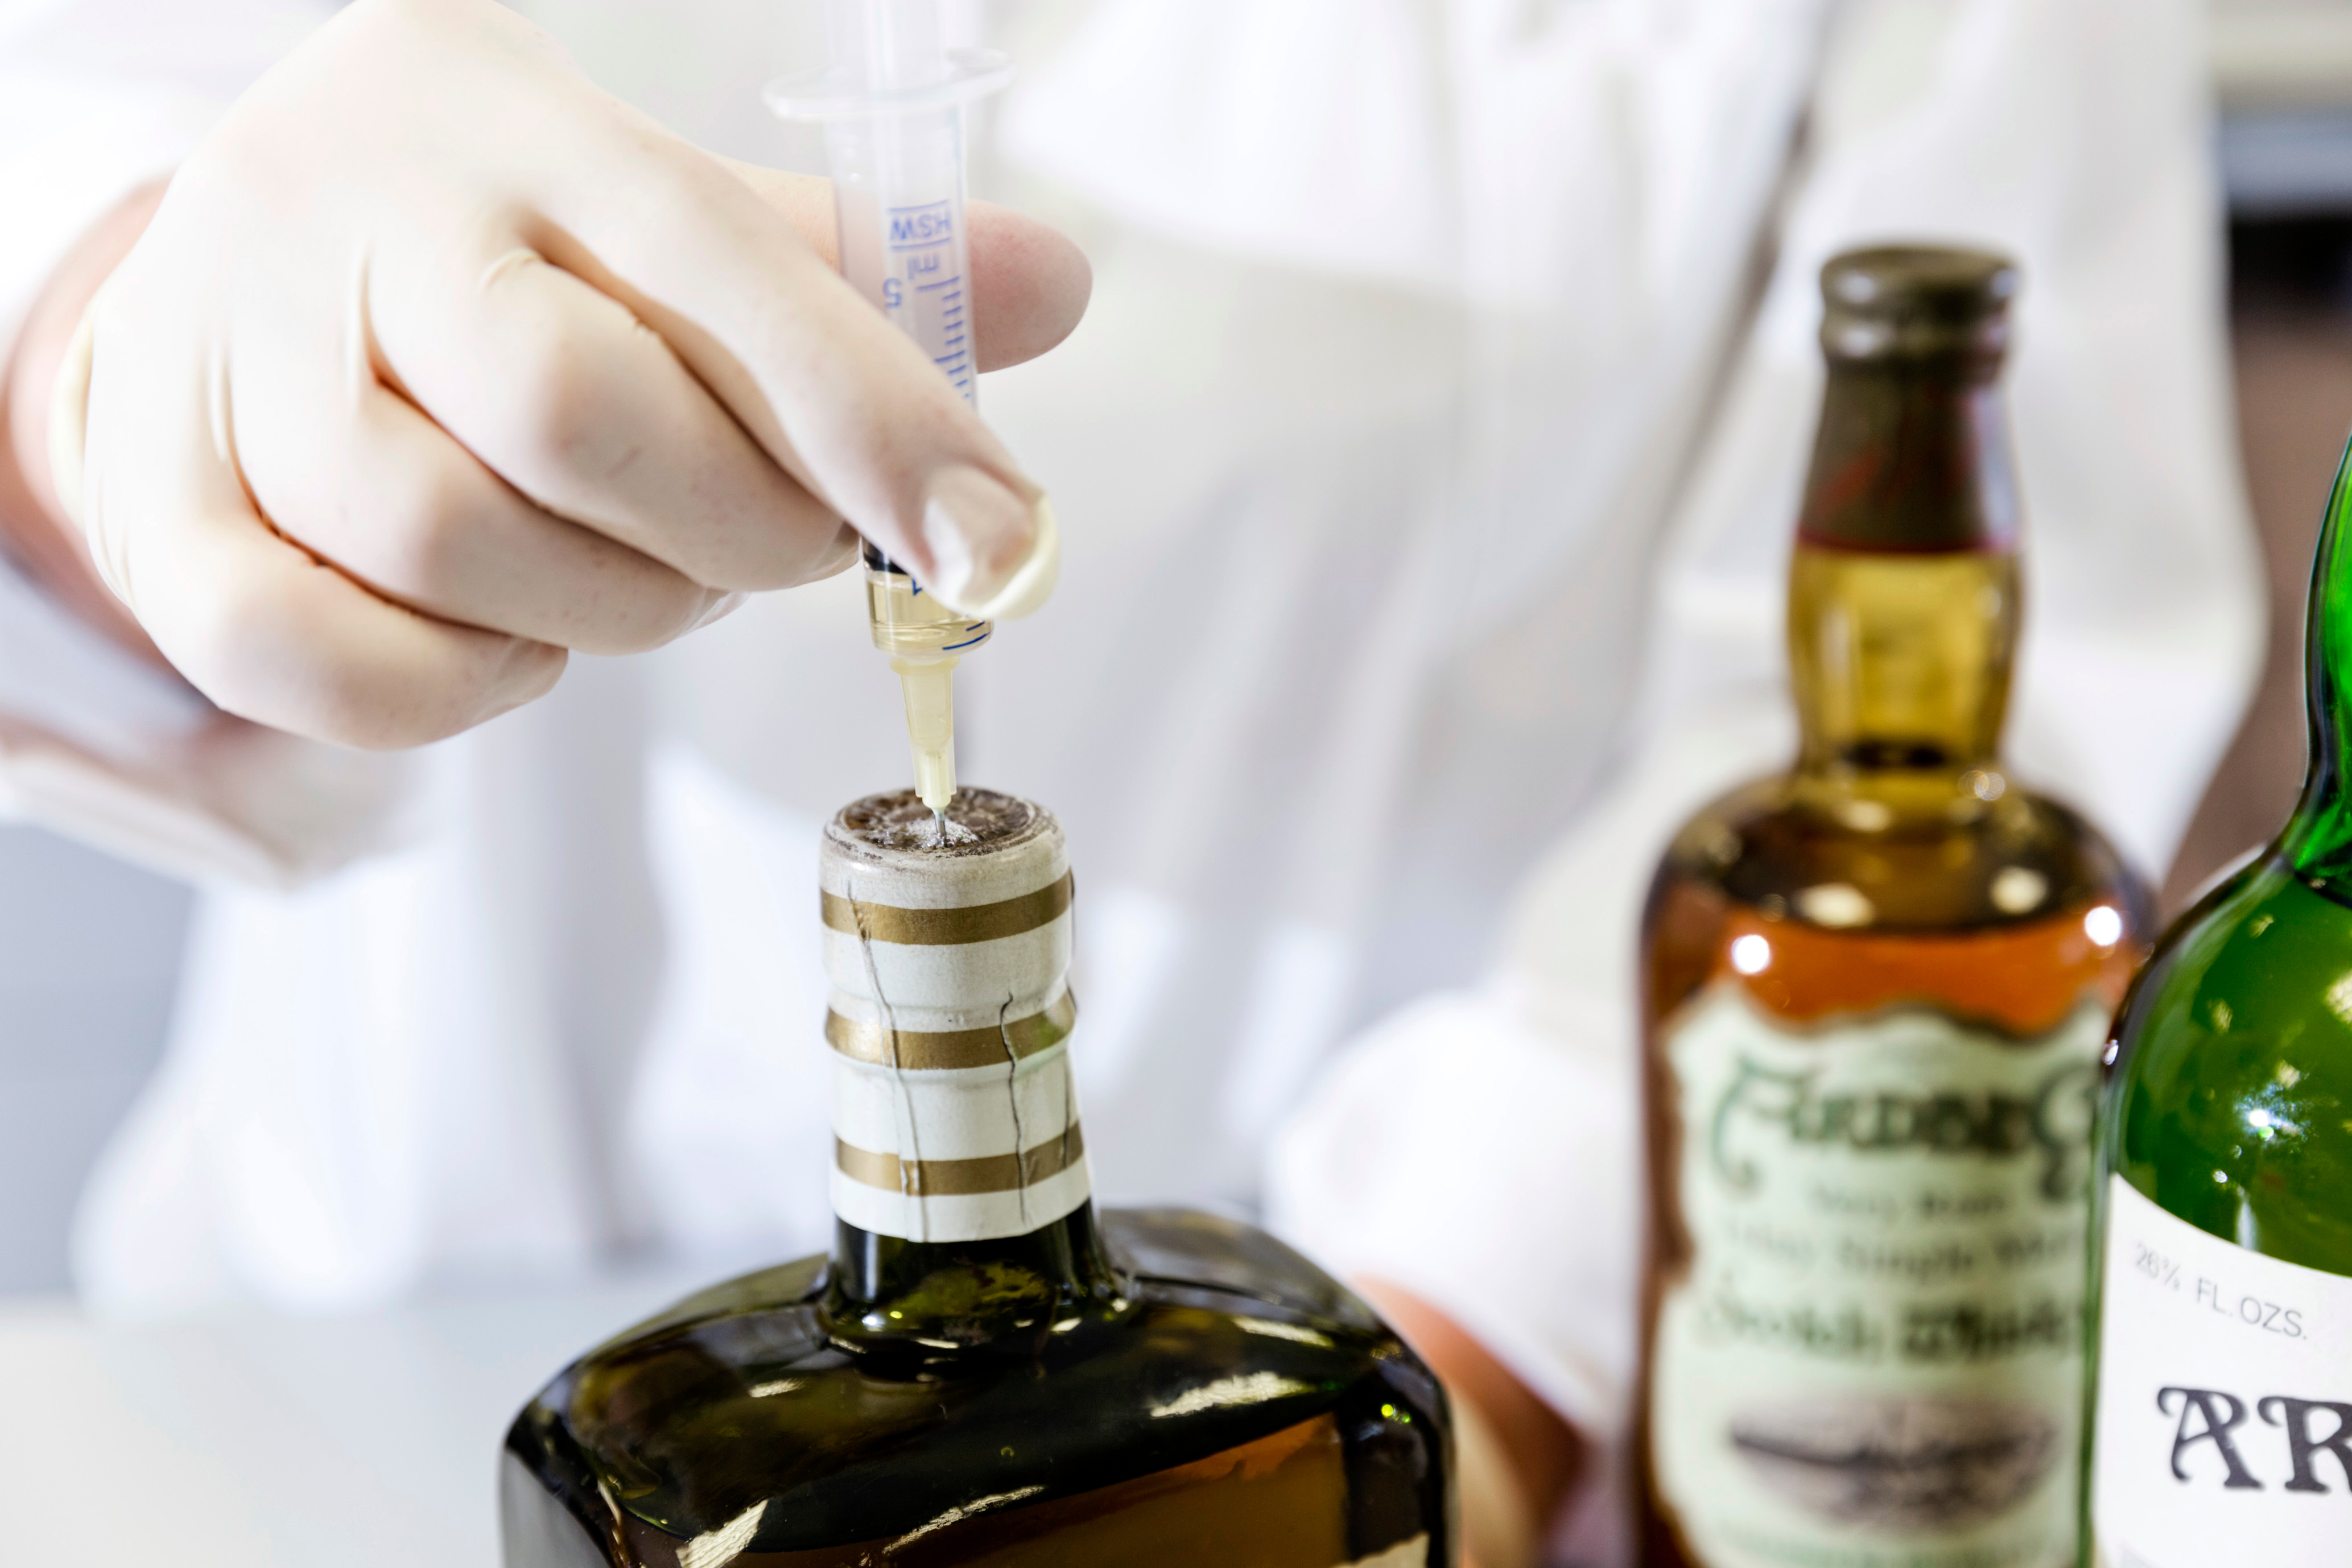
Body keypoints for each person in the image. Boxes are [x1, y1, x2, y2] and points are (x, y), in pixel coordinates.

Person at [0, 0, 2259, 1562]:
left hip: (1428, 1328)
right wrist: (107, 345)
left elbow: (1932, 690)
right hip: (357, 1318)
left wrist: (1439, 1405)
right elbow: (93, 107)